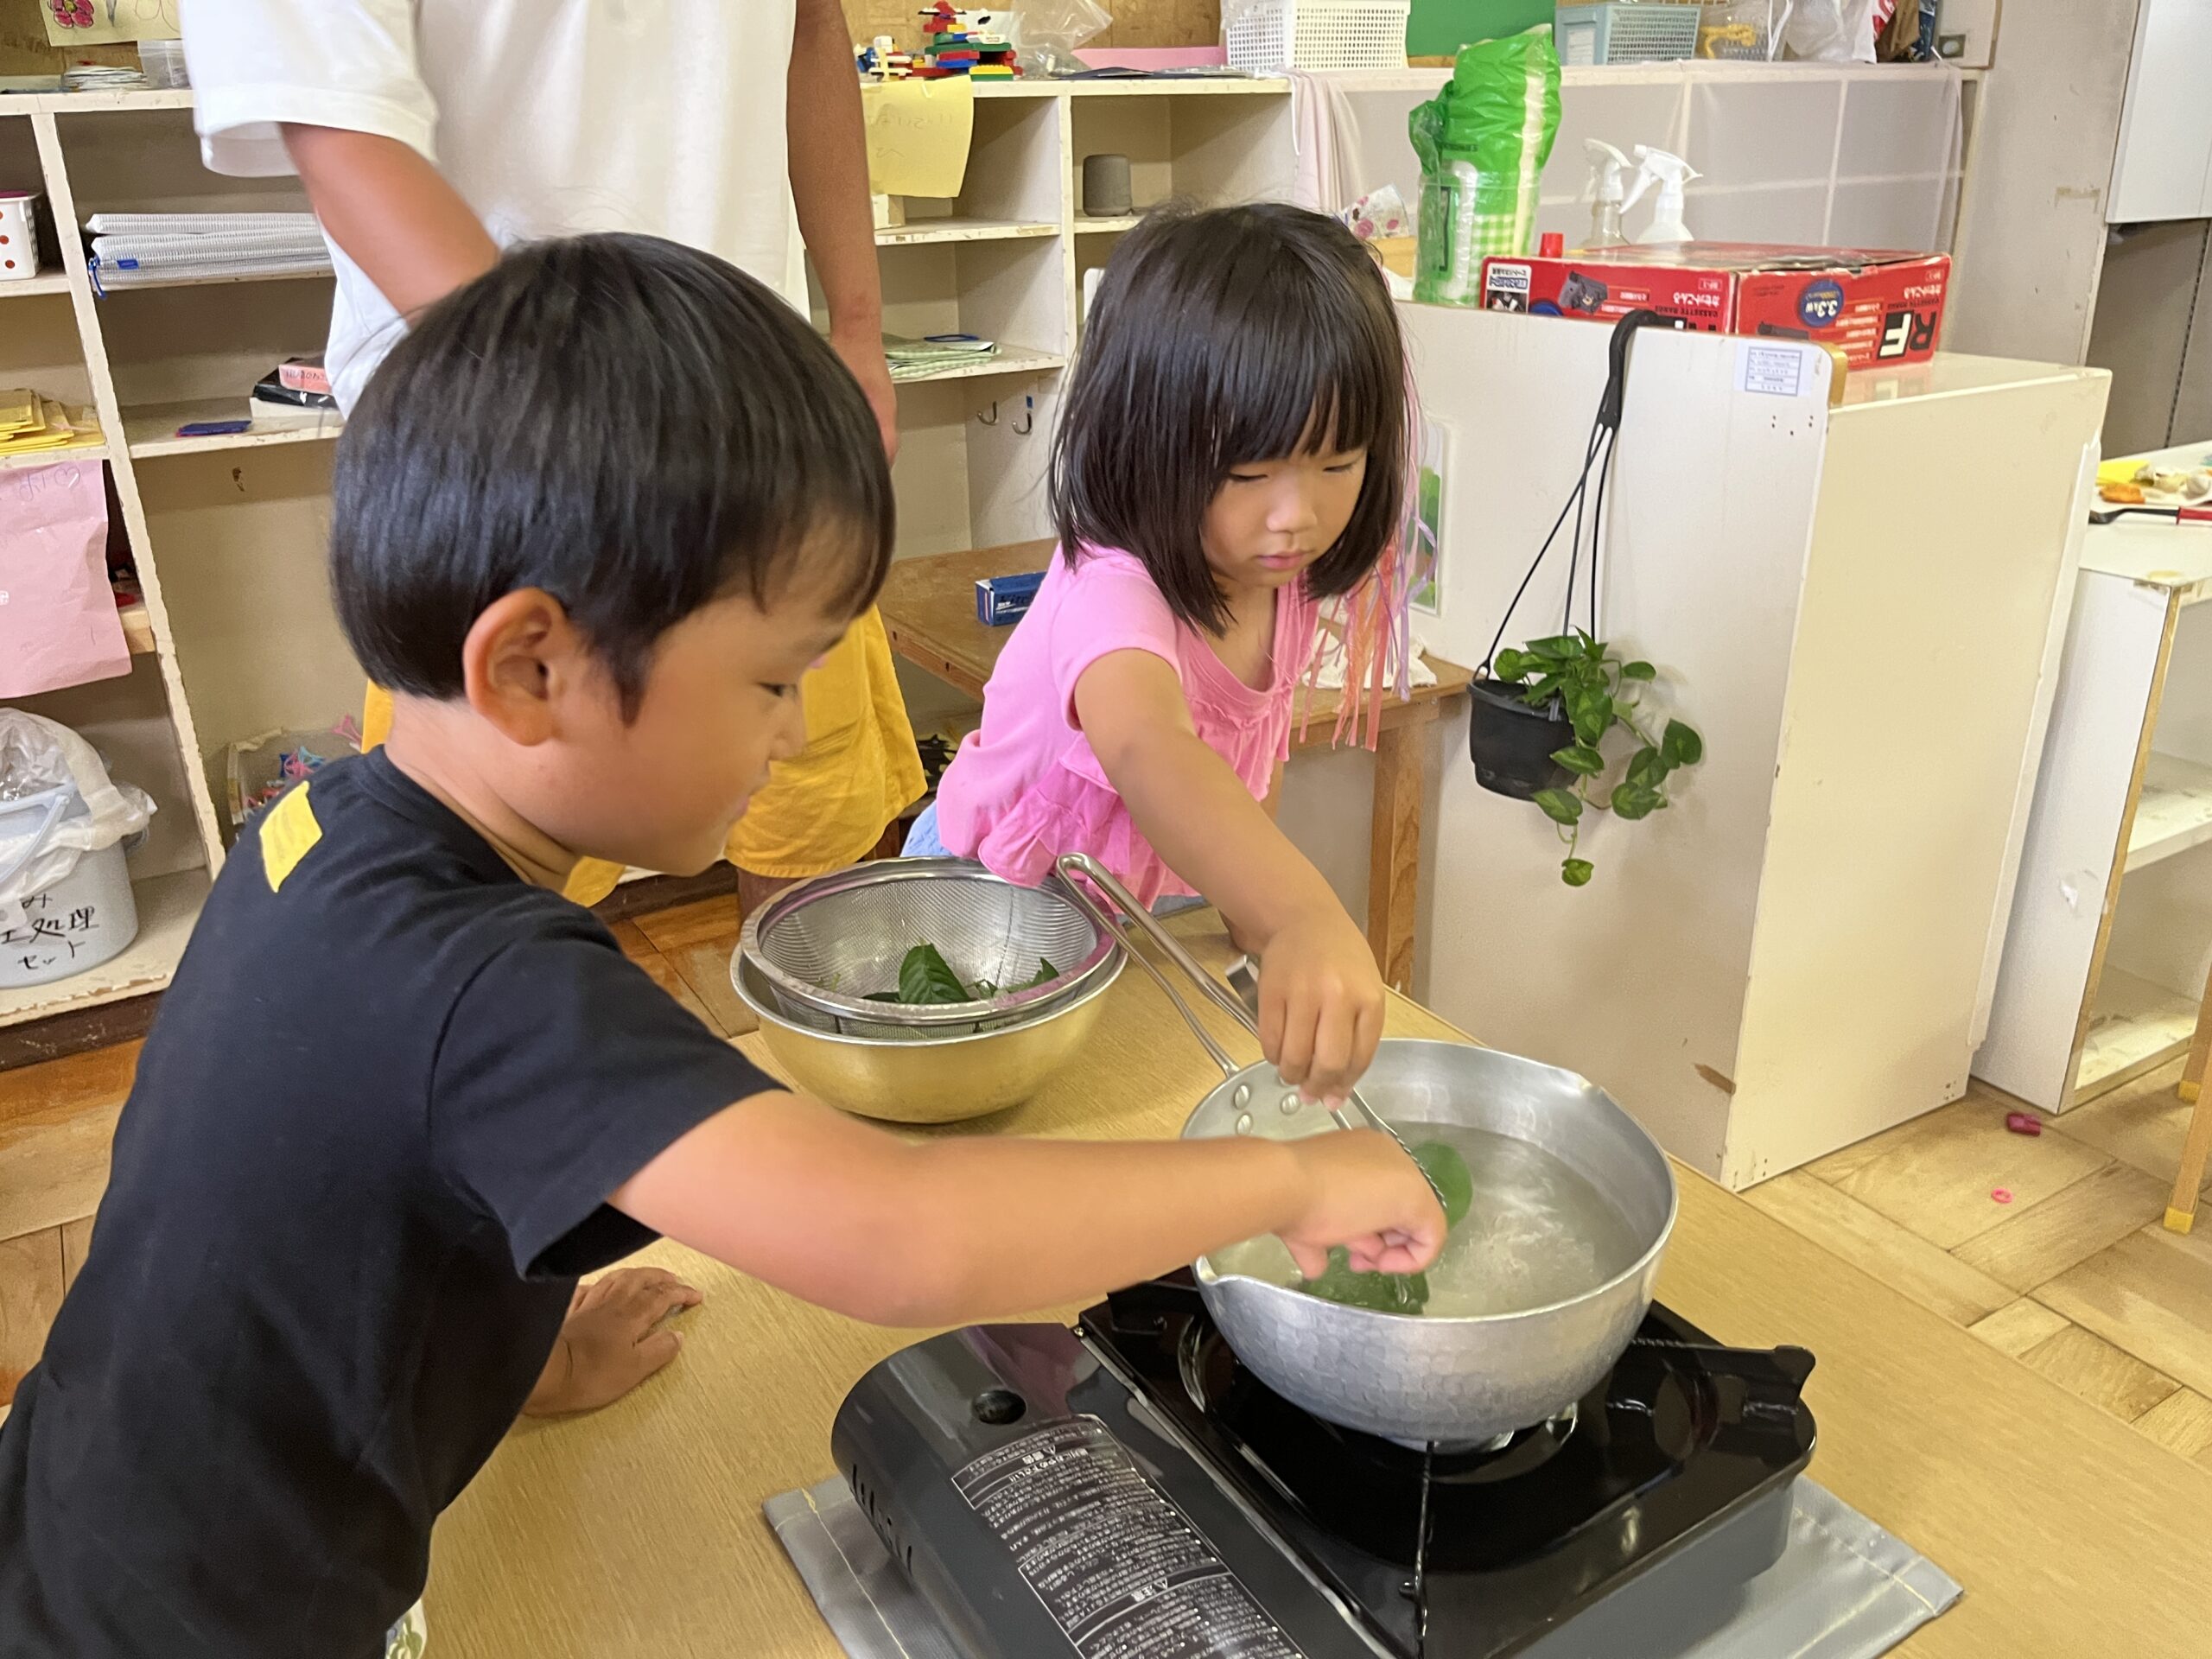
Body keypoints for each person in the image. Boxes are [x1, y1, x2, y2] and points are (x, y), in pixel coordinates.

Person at [0, 236, 1443, 1659]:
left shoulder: (323, 833)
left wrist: (528, 1356)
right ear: (531, 667)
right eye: (772, 679)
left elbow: (353, 1217)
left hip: (65, 1515)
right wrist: (1291, 1179)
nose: (798, 730)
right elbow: (899, 1233)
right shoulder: (487, 988)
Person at [180, 0, 925, 915]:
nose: (788, 713)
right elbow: (337, 119)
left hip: (754, 410)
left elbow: (812, 27)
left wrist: (856, 329)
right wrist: (571, 414)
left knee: (804, 831)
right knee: (491, 870)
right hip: (518, 451)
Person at [908, 203, 1404, 1104]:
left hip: (1145, 910)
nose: (1295, 514)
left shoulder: (1275, 575)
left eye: (1337, 464)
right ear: (1145, 439)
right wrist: (1300, 914)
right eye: (1249, 473)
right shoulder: (1112, 588)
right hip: (994, 906)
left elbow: (1250, 765)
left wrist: (1255, 920)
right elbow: (1151, 750)